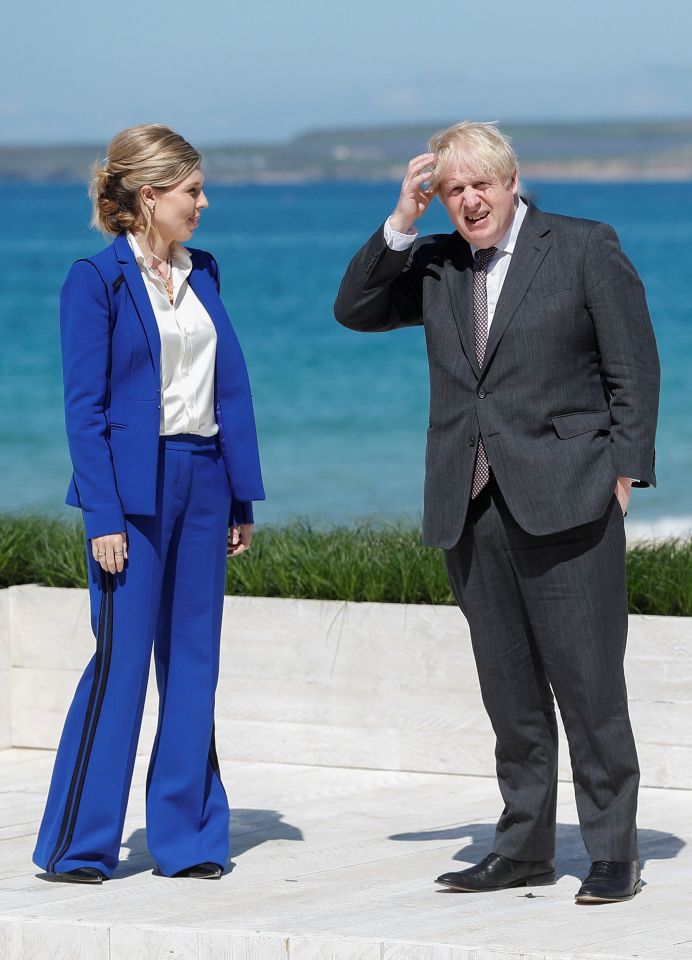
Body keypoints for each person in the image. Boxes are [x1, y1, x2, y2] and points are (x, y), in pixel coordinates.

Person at [334, 121, 659, 904]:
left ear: (513, 180)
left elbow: (633, 366)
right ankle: (523, 848)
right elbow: (355, 309)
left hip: (570, 497)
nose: (470, 200)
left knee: (588, 689)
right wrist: (401, 224)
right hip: (469, 502)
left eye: (482, 183)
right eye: (454, 189)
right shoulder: (438, 263)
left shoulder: (583, 246)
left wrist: (624, 475)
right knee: (510, 696)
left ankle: (613, 850)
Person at [33, 124, 264, 884]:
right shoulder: (93, 281)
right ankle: (80, 844)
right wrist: (102, 516)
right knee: (122, 665)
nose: (204, 203)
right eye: (193, 191)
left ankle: (190, 837)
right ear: (149, 196)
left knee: (195, 664)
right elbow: (85, 410)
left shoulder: (207, 274)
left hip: (204, 479)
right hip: (132, 494)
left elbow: (225, 391)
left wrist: (238, 497)